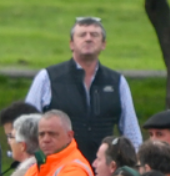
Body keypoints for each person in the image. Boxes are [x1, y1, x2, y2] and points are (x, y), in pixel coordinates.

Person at [24, 17, 141, 162]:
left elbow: (131, 133)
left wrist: (135, 166)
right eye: (82, 34)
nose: (88, 39)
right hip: (58, 167)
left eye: (94, 35)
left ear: (103, 44)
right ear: (71, 44)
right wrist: (38, 163)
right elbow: (27, 128)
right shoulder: (48, 78)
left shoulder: (117, 81)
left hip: (103, 169)